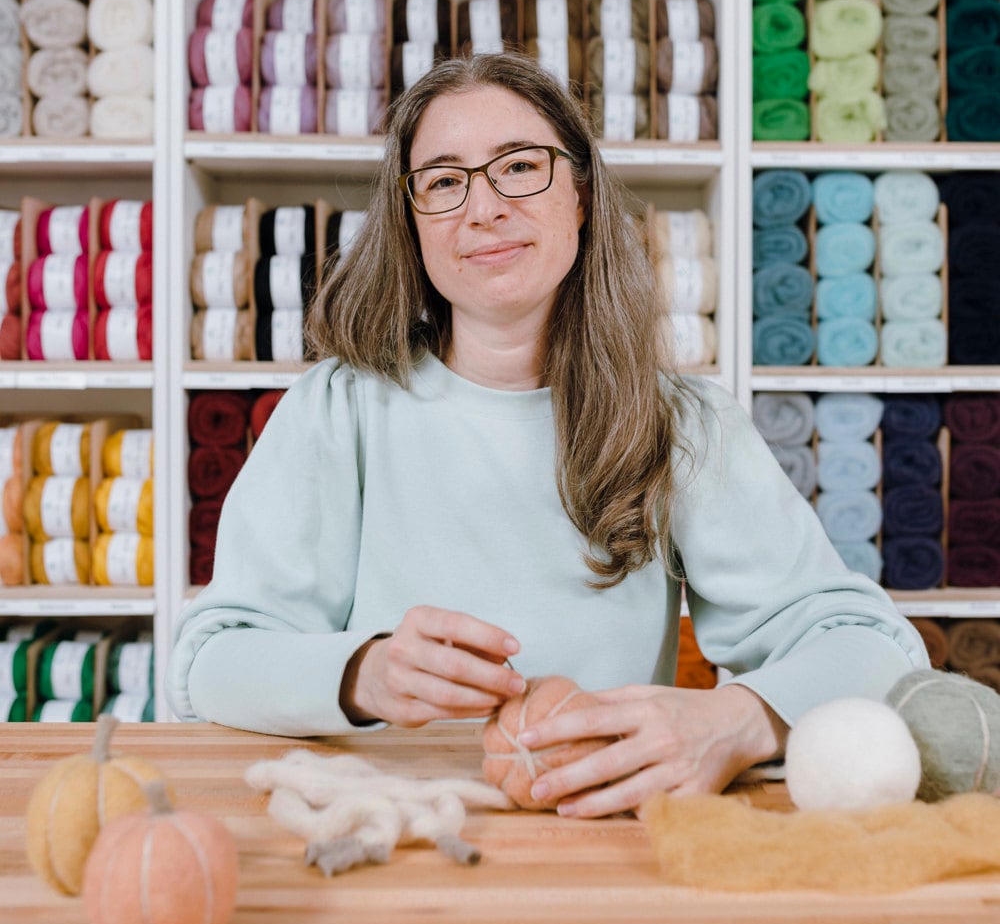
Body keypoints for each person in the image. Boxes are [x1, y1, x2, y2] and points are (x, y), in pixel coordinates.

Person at [167, 52, 928, 818]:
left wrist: (733, 721)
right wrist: (363, 673)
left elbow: (876, 646)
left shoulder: (681, 424)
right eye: (442, 180)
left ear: (582, 197)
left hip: (600, 840)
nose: (484, 206)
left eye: (521, 167)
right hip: (388, 837)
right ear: (412, 225)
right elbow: (206, 661)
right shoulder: (336, 410)